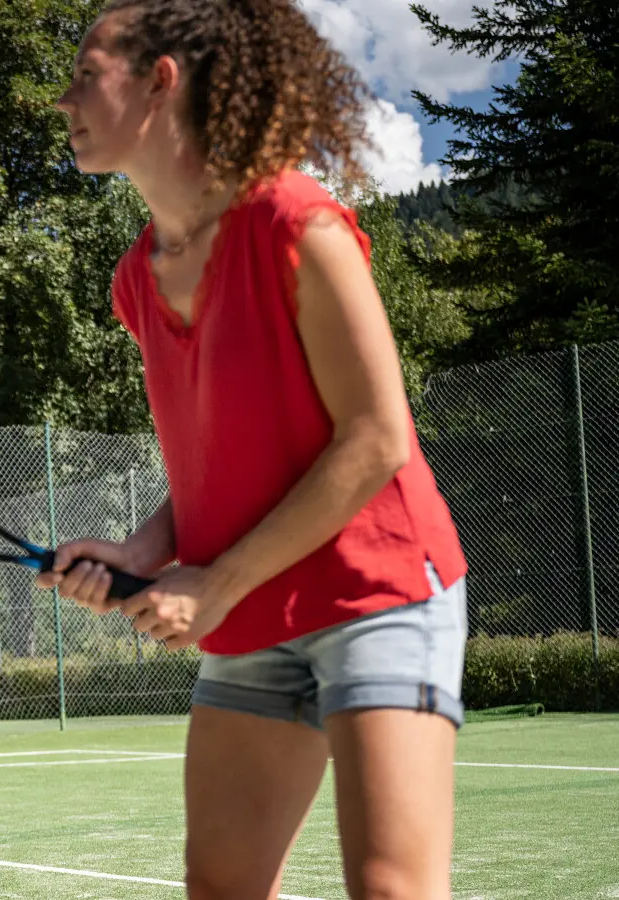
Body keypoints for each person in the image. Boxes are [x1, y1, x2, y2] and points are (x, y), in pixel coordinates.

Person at [43, 3, 469, 899]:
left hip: (378, 592)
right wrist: (142, 552)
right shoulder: (135, 278)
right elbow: (219, 465)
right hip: (252, 617)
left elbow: (377, 437)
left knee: (393, 887)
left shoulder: (295, 223)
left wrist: (213, 581)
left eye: (87, 73)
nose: (64, 99)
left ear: (160, 80)